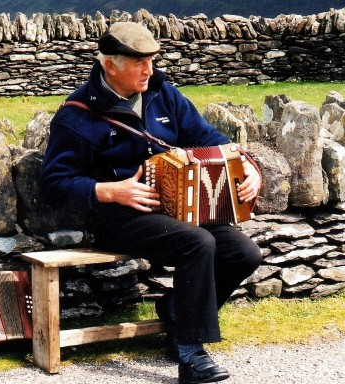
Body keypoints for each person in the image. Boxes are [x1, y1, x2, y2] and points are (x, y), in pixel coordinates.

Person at [40, 21, 262, 384]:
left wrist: (249, 165)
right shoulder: (76, 114)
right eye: (139, 62)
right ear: (110, 65)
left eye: (152, 60)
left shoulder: (164, 94)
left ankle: (175, 311)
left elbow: (212, 139)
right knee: (197, 242)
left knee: (244, 253)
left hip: (180, 208)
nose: (150, 70)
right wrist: (111, 190)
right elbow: (53, 184)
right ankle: (190, 353)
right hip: (116, 216)